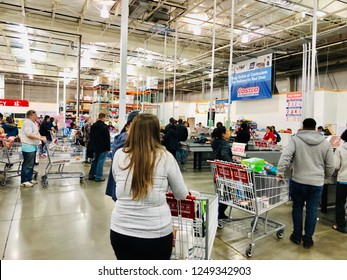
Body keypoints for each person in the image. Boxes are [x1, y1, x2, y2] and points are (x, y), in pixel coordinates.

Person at [110, 113, 189, 260]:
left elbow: (117, 181)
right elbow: (181, 194)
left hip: (120, 230)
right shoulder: (165, 157)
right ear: (156, 132)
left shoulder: (119, 154)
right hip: (155, 232)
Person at [276, 118, 335, 249]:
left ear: (303, 126)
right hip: (317, 183)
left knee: (297, 208)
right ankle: (308, 239)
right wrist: (325, 177)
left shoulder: (295, 139)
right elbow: (331, 165)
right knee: (312, 210)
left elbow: (285, 156)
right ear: (315, 128)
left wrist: (280, 171)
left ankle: (296, 236)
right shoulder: (325, 143)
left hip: (298, 181)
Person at [105, 110, 139, 201]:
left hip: (121, 183)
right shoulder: (127, 140)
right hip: (125, 184)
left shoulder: (123, 136)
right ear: (132, 123)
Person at [20, 110, 46, 187]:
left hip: (32, 146)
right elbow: (29, 134)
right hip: (28, 146)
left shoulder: (33, 123)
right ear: (30, 115)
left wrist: (40, 137)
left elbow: (34, 133)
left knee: (31, 164)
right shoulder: (27, 122)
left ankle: (29, 178)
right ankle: (24, 181)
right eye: (35, 115)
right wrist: (40, 138)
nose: (36, 116)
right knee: (27, 164)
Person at [211, 125, 232, 220]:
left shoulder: (214, 141)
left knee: (220, 192)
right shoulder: (225, 144)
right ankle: (220, 214)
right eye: (227, 131)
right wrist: (233, 164)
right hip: (225, 171)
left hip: (217, 170)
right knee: (227, 193)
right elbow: (224, 155)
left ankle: (218, 213)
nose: (229, 132)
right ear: (223, 134)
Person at [332, 129, 347, 233]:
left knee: (341, 204)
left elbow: (336, 166)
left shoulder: (340, 149)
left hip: (343, 180)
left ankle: (341, 226)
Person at [88, 113, 110, 182]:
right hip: (102, 147)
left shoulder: (93, 126)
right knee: (101, 162)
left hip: (95, 147)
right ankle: (98, 177)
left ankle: (91, 175)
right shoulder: (104, 127)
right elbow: (107, 138)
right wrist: (108, 148)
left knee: (94, 161)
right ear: (103, 118)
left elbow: (91, 136)